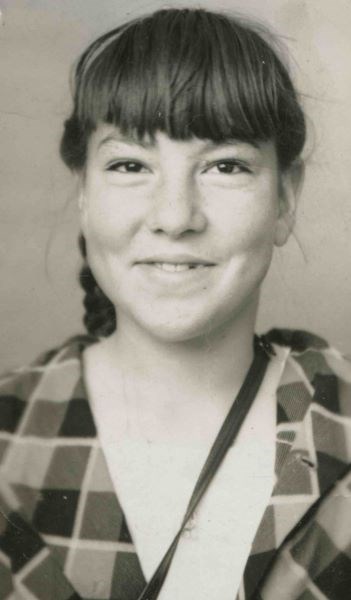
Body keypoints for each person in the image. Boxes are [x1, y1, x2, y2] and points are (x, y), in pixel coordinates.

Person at [0, 7, 350, 600]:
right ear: (84, 192)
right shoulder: (11, 436)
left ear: (285, 199)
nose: (174, 217)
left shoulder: (338, 427)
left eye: (225, 165)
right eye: (130, 165)